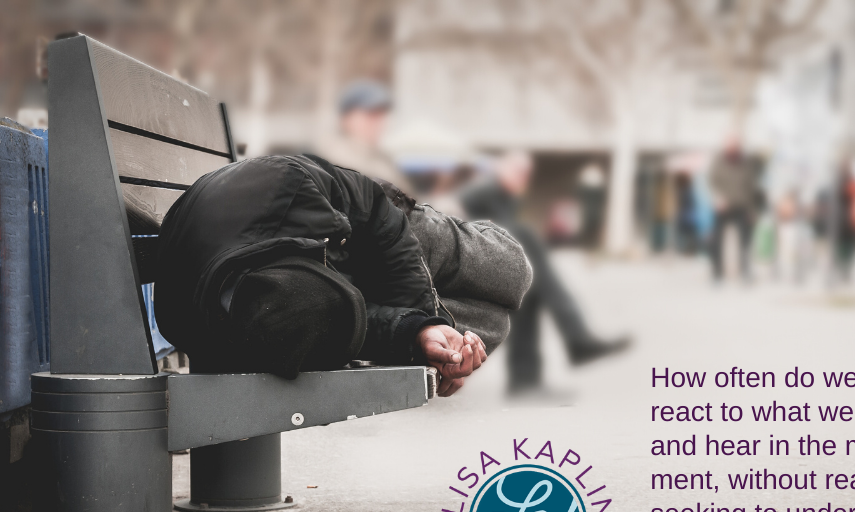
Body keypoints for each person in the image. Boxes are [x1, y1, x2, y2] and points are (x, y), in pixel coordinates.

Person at [155, 154, 530, 397]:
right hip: (303, 276)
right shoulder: (278, 325)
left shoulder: (285, 186)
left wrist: (420, 317)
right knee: (493, 322)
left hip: (367, 229)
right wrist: (416, 336)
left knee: (511, 273)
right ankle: (440, 331)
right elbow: (353, 326)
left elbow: (373, 207)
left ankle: (465, 245)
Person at [460, 151, 629, 395]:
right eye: (518, 172)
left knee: (531, 289)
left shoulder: (504, 197)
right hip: (469, 268)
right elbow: (488, 237)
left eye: (526, 174)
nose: (523, 179)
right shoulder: (484, 192)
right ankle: (575, 340)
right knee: (529, 252)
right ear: (502, 170)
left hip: (491, 264)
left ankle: (528, 379)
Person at [325, 79, 413, 193]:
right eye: (370, 114)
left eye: (381, 115)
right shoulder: (335, 161)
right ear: (346, 119)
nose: (377, 122)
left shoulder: (383, 159)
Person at [708, 140, 759, 280]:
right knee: (716, 240)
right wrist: (717, 197)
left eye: (737, 147)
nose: (734, 149)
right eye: (731, 146)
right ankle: (717, 272)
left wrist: (752, 209)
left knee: (745, 240)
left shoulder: (745, 162)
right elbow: (712, 181)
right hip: (723, 206)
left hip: (742, 206)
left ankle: (745, 271)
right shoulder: (719, 161)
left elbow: (751, 187)